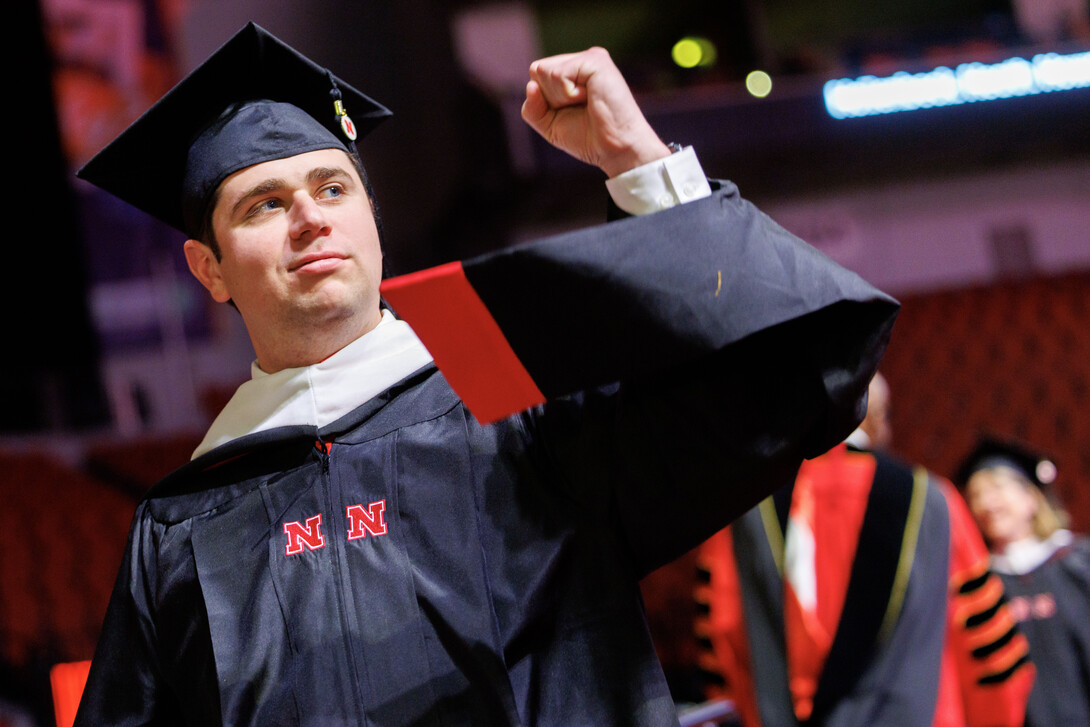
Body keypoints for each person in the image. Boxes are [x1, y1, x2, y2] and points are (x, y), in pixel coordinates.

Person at [72, 22, 898, 727]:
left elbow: (803, 372)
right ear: (208, 268)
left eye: (333, 186)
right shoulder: (182, 529)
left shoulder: (515, 415)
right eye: (263, 204)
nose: (312, 217)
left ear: (373, 221)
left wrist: (642, 166)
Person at [695, 374, 1034, 727]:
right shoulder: (934, 503)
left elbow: (722, 644)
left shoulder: (744, 513)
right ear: (874, 416)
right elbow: (989, 660)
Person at [959, 436, 1090, 727]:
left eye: (996, 488)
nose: (986, 503)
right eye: (976, 495)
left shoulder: (1078, 564)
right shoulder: (978, 586)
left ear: (1031, 497)